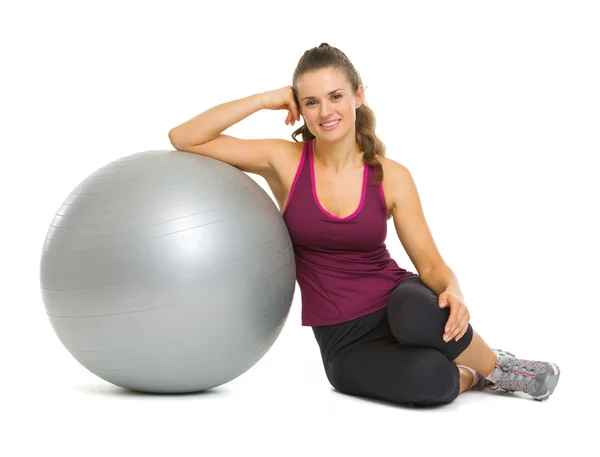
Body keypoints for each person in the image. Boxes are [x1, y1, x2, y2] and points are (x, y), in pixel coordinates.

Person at [168, 43, 560, 406]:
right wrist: (263, 99)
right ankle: (471, 374)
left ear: (358, 94)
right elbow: (184, 137)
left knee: (413, 309)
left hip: (397, 303)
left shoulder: (391, 176)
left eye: (336, 96)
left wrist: (453, 289)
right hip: (344, 341)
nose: (326, 112)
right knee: (435, 384)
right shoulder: (283, 161)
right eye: (311, 102)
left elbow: (430, 264)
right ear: (299, 109)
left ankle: (500, 369)